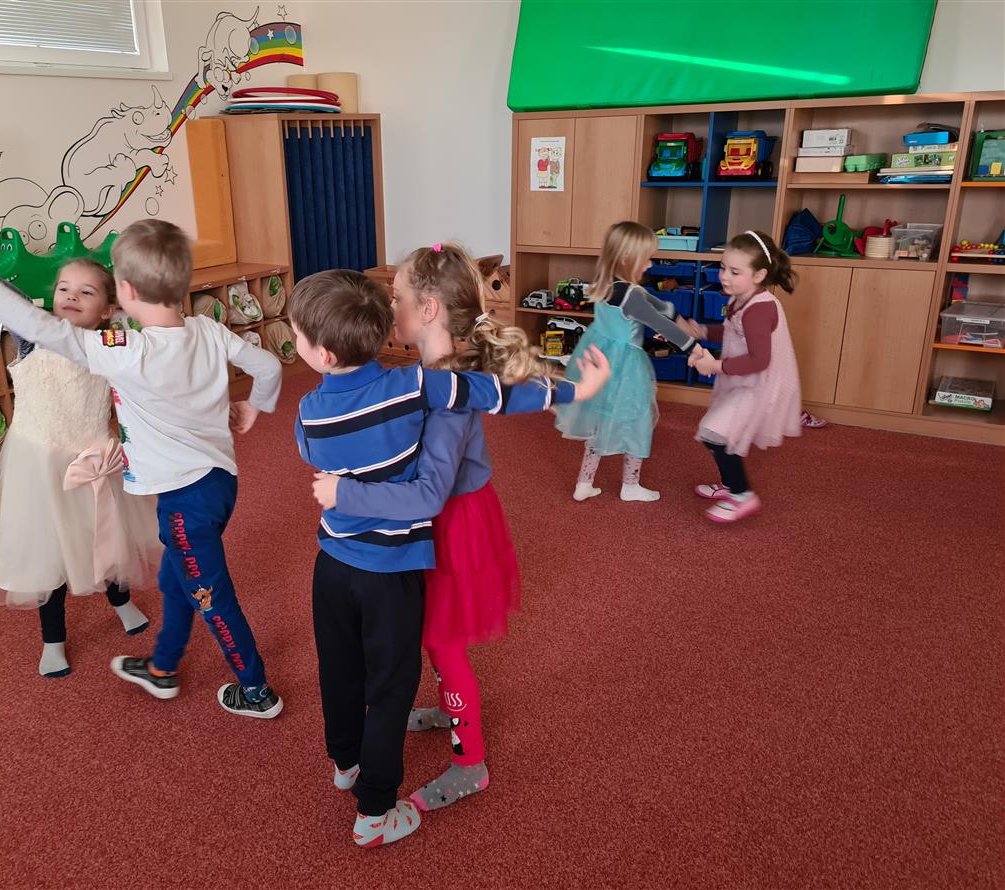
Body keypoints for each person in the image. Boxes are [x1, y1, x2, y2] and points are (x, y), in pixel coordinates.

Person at [290, 265, 608, 847]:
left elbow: (426, 489)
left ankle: (463, 763)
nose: (390, 307)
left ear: (428, 309)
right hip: (400, 543)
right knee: (403, 657)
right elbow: (497, 394)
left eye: (397, 296)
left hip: (437, 530)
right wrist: (569, 390)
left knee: (430, 645)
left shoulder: (329, 406)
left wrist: (344, 491)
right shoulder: (419, 383)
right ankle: (411, 743)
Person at [0, 219, 286, 716]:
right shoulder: (209, 330)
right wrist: (255, 406)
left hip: (184, 502)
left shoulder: (125, 351)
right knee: (175, 581)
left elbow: (42, 328)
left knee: (211, 596)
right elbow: (270, 366)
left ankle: (256, 690)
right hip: (219, 483)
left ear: (123, 293)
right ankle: (163, 668)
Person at [0, 258, 158, 678]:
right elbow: (7, 301)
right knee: (50, 551)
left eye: (86, 292)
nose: (71, 297)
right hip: (39, 469)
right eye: (64, 288)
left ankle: (121, 602)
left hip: (96, 458)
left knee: (108, 534)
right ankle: (53, 639)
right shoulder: (33, 335)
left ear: (108, 308)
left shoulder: (111, 342)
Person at [555, 221, 700, 502]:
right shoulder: (631, 295)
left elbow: (659, 305)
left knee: (599, 421)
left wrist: (682, 321)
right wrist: (693, 348)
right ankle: (630, 486)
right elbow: (660, 323)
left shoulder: (606, 284)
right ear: (625, 259)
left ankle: (584, 483)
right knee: (638, 420)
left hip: (598, 363)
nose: (650, 264)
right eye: (646, 259)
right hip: (625, 367)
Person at [687, 230, 802, 523]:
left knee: (714, 431)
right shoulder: (740, 298)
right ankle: (730, 485)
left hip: (760, 384)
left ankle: (742, 495)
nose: (724, 276)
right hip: (743, 378)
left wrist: (715, 366)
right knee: (718, 433)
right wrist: (702, 331)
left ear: (759, 275)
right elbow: (733, 332)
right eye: (723, 267)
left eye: (735, 272)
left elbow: (759, 360)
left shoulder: (759, 309)